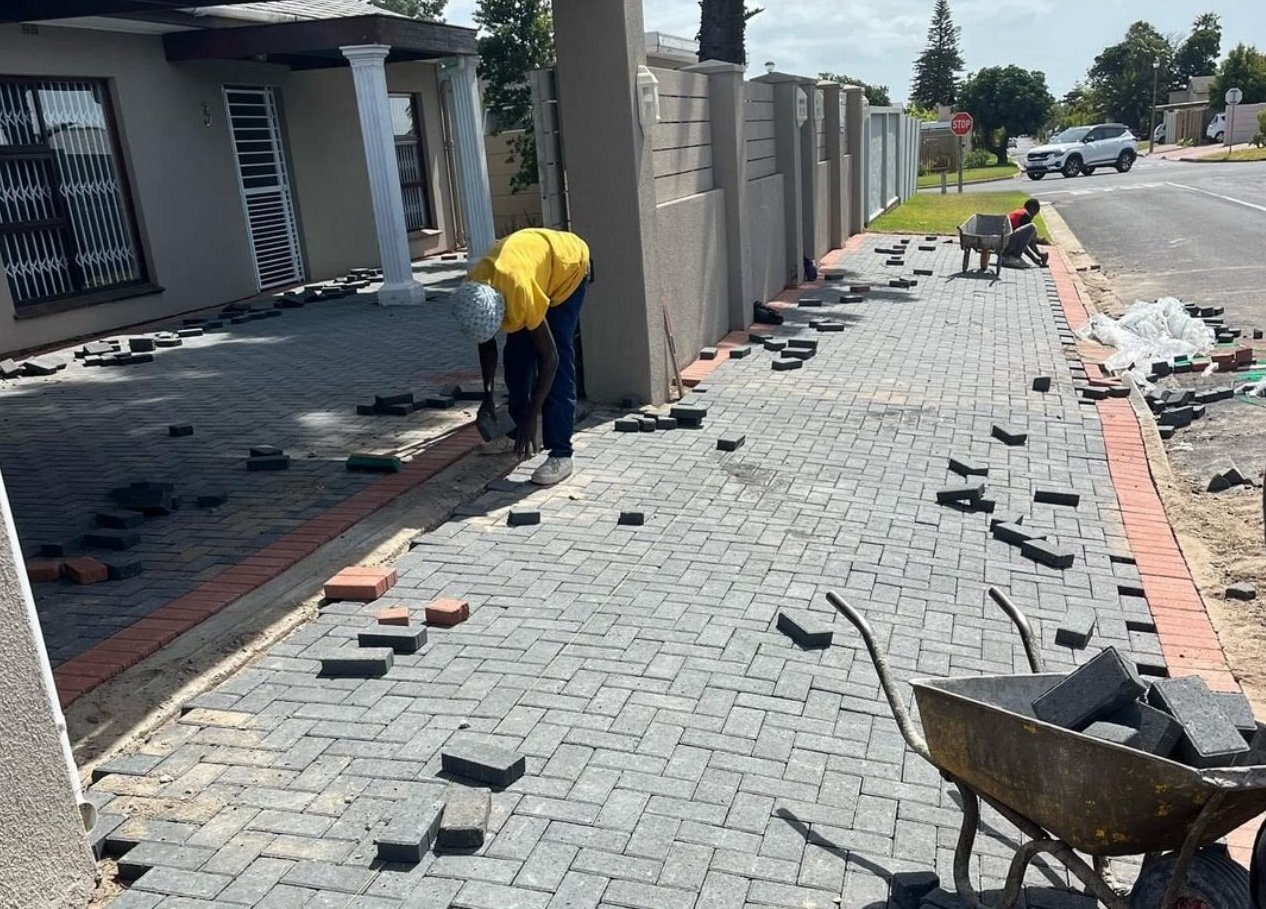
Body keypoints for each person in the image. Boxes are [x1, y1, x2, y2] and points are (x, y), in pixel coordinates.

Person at [450, 228, 590, 487]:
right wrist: (488, 396)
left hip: (568, 268)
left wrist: (531, 416)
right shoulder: (475, 288)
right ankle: (515, 434)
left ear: (500, 312)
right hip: (535, 267)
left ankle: (561, 453)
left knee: (557, 359)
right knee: (515, 359)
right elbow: (487, 345)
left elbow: (550, 359)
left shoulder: (519, 292)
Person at [1001, 199, 1049, 269]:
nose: (1032, 217)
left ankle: (1011, 256)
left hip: (1002, 243)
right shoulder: (1025, 215)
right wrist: (1037, 255)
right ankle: (1013, 257)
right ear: (1032, 208)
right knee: (1032, 227)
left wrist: (1035, 258)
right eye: (1034, 214)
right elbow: (1028, 243)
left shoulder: (1019, 212)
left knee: (1031, 230)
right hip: (1006, 244)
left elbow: (1022, 242)